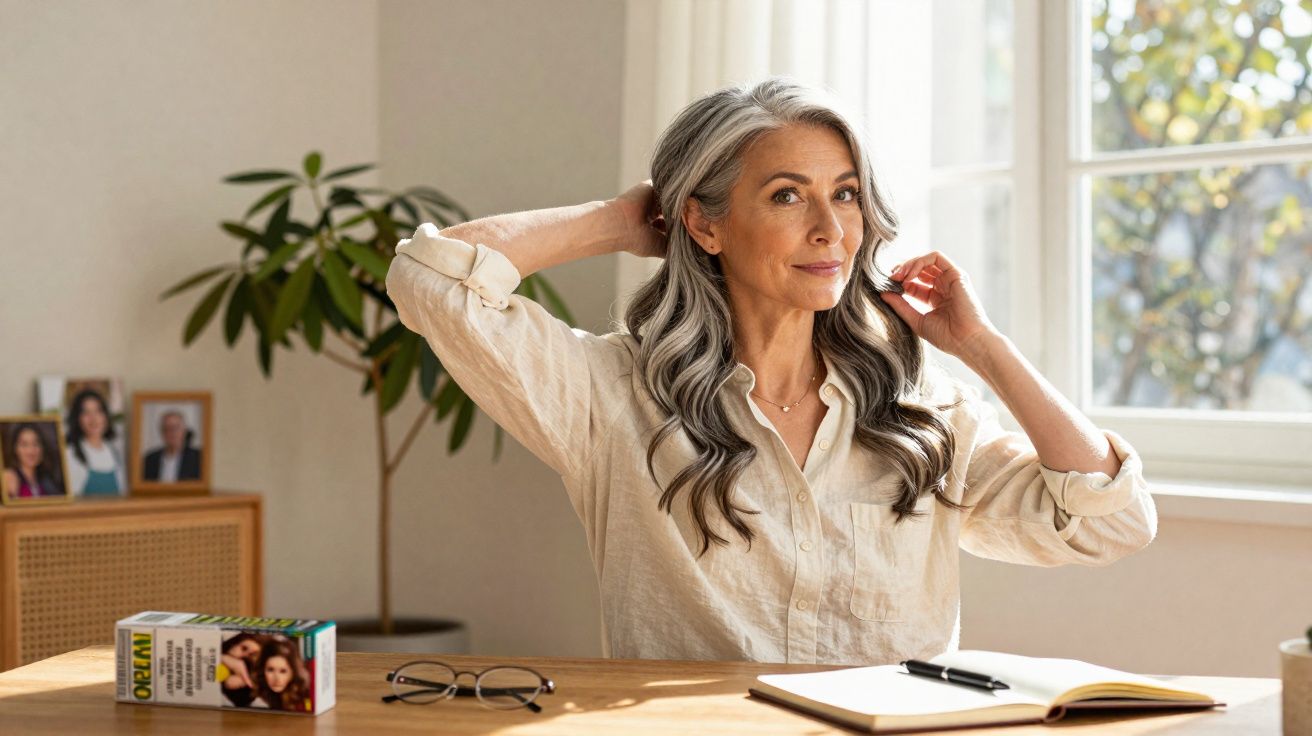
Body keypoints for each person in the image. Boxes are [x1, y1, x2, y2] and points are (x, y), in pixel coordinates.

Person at [384, 76, 1157, 666]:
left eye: (846, 195)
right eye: (788, 195)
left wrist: (984, 346)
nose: (830, 230)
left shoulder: (919, 412)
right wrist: (622, 222)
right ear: (704, 221)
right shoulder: (609, 396)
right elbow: (432, 279)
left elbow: (1112, 522)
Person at [63, 389, 126, 496]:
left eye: (98, 411)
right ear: (77, 419)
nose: (94, 419)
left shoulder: (114, 451)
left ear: (105, 416)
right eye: (86, 413)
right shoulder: (70, 454)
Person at [249, 637, 311, 711]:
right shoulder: (258, 703)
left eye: (283, 671)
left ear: (293, 672)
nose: (277, 678)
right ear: (262, 670)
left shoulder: (304, 699)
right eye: (270, 670)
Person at [2, 423, 62, 499]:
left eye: (35, 444)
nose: (31, 451)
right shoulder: (9, 477)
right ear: (15, 449)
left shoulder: (47, 480)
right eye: (24, 445)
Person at [217, 632, 274, 708]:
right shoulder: (215, 640)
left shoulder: (247, 694)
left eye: (251, 656)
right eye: (244, 648)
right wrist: (222, 658)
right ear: (236, 642)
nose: (242, 657)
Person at [142, 410, 201, 482]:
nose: (172, 433)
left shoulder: (198, 458)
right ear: (161, 432)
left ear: (184, 430)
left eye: (176, 428)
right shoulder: (150, 459)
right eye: (167, 429)